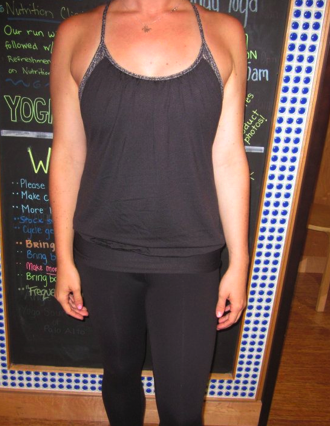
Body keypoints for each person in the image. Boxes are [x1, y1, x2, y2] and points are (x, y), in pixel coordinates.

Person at [49, 0, 249, 424]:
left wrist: (239, 263)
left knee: (182, 408)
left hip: (191, 257)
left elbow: (229, 156)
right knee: (120, 375)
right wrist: (63, 258)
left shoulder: (225, 33)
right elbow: (67, 153)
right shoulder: (76, 34)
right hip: (102, 253)